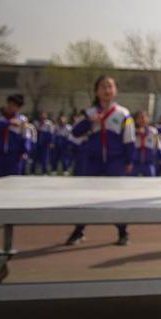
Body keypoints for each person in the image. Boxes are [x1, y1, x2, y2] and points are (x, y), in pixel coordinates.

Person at [64, 76, 134, 247]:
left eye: (110, 87)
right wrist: (90, 122)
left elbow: (129, 138)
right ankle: (78, 231)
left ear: (115, 90)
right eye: (103, 87)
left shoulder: (124, 114)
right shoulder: (88, 113)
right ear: (96, 91)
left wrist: (129, 160)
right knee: (86, 197)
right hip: (92, 161)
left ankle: (123, 232)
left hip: (115, 162)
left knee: (116, 199)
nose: (107, 90)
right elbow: (74, 134)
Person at [0, 94, 32, 177]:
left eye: (14, 105)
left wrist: (24, 151)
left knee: (13, 179)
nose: (11, 107)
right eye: (10, 104)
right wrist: (9, 122)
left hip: (14, 155)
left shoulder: (22, 120)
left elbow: (26, 137)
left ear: (18, 108)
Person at [133, 111, 161, 177]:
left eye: (144, 117)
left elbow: (159, 145)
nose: (143, 119)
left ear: (148, 119)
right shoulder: (132, 131)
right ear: (136, 120)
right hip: (135, 163)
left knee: (150, 183)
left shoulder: (153, 131)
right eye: (140, 118)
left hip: (149, 163)